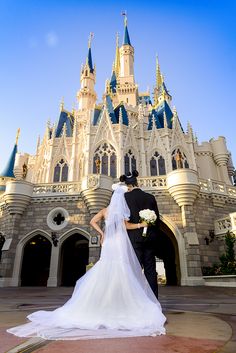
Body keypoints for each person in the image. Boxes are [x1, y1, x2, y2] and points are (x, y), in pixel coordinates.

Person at [7, 183, 166, 340]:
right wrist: (141, 224)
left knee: (106, 269)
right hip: (119, 242)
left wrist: (102, 233)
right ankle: (119, 304)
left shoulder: (105, 211)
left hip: (108, 242)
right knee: (121, 270)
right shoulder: (121, 212)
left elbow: (92, 221)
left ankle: (102, 303)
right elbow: (127, 227)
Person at [122, 170, 160, 299]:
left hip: (133, 238)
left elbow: (123, 221)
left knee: (134, 270)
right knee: (150, 270)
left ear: (128, 186)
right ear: (137, 182)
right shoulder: (150, 197)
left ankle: (136, 301)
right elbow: (157, 221)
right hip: (150, 239)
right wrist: (154, 237)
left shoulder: (125, 198)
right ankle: (154, 301)